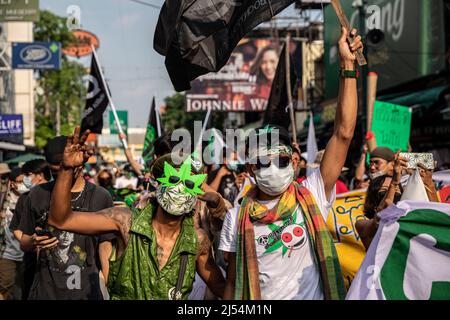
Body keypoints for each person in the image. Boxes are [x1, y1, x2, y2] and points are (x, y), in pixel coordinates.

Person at [219, 27, 363, 300]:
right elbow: (234, 283)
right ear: (250, 168)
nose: (273, 167)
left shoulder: (313, 194)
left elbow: (343, 133)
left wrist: (346, 65)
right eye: (263, 161)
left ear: (295, 161)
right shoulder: (236, 218)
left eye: (282, 159)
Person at [48, 127, 226, 300]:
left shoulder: (197, 240)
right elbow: (61, 220)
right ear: (159, 183)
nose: (179, 188)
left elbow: (224, 289)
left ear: (196, 192)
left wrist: (216, 200)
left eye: (188, 184)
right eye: (173, 179)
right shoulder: (126, 221)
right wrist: (66, 169)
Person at [17, 136, 114, 300]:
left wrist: (110, 281)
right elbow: (24, 243)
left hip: (86, 292)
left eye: (66, 169)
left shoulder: (100, 196)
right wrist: (34, 241)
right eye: (55, 171)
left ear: (80, 163)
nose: (61, 174)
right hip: (45, 291)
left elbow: (105, 244)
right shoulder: (37, 194)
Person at [9, 160, 52, 300]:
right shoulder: (25, 198)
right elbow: (15, 228)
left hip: (56, 262)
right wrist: (29, 242)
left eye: (28, 174)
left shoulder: (58, 195)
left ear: (40, 175)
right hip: (31, 260)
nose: (25, 179)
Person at [0, 167, 25, 299]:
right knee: (6, 285)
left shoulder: (32, 197)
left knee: (24, 286)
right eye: (19, 181)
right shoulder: (3, 198)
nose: (22, 184)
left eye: (24, 180)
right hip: (6, 253)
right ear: (12, 183)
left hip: (27, 252)